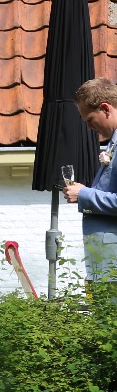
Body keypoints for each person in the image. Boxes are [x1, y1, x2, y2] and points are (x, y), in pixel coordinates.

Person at [64, 78, 117, 289]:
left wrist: (84, 194)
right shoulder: (113, 143)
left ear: (105, 108)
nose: (88, 127)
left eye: (89, 119)